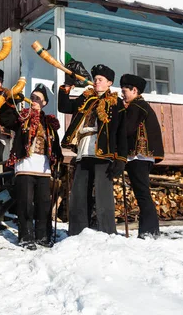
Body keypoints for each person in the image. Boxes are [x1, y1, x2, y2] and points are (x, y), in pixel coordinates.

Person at [58, 64, 127, 236]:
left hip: (104, 151)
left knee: (103, 194)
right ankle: (78, 231)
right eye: (95, 79)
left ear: (109, 83)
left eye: (100, 80)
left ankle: (107, 231)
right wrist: (67, 86)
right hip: (84, 148)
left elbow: (121, 131)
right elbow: (65, 107)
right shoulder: (85, 98)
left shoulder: (116, 103)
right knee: (79, 192)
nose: (96, 82)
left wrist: (121, 158)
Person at [0, 84, 63, 249]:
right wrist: (11, 103)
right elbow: (4, 119)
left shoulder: (49, 122)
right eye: (32, 97)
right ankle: (26, 237)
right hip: (25, 165)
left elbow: (55, 145)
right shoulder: (22, 117)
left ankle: (43, 235)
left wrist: (58, 162)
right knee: (26, 203)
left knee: (43, 204)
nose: (34, 100)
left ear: (44, 103)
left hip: (43, 168)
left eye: (38, 98)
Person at [120, 74, 164, 238]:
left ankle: (149, 231)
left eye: (125, 91)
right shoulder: (140, 105)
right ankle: (149, 230)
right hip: (142, 157)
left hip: (139, 156)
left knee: (143, 193)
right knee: (142, 193)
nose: (122, 94)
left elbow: (127, 129)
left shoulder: (136, 106)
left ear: (134, 90)